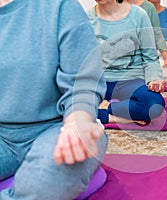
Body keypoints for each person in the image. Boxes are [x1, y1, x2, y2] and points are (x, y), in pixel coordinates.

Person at [0, 0, 108, 199]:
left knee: (47, 178)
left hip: (59, 128)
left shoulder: (60, 6)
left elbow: (82, 82)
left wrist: (77, 122)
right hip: (3, 138)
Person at [87, 0, 166, 125]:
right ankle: (117, 118)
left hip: (131, 80)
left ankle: (106, 109)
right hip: (99, 81)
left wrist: (154, 79)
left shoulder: (139, 15)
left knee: (153, 105)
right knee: (60, 106)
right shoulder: (87, 18)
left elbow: (150, 57)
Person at [128, 0, 167, 84]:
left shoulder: (148, 7)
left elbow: (157, 33)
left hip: (146, 57)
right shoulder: (115, 6)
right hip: (124, 59)